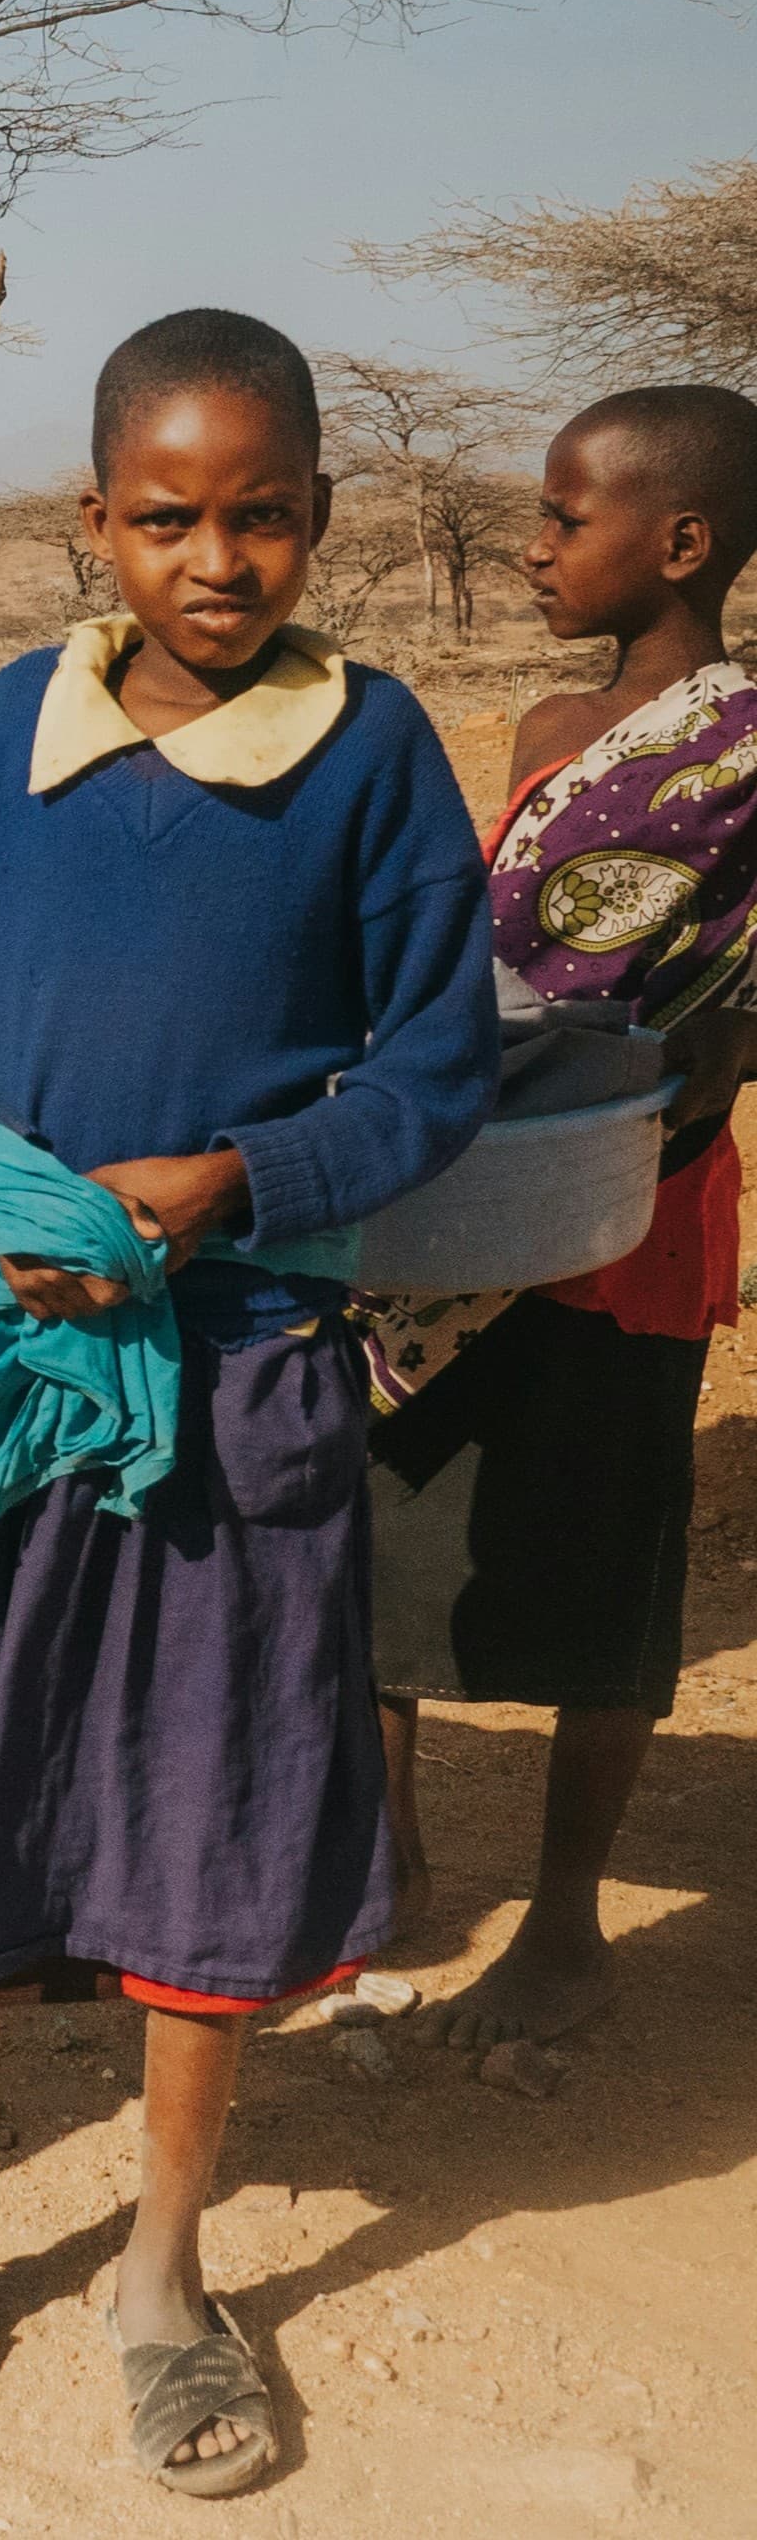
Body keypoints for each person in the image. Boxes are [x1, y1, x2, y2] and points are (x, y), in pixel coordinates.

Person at [0, 312, 495, 2495]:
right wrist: (9, 1201)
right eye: (164, 515)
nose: (214, 555)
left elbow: (429, 1068)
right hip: (10, 1359)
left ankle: (165, 2263)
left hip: (241, 1372)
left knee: (209, 1821)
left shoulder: (364, 755)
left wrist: (218, 1191)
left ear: (315, 521)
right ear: (94, 523)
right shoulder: (6, 740)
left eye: (260, 513)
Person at [369, 385, 757, 2048]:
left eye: (563, 513)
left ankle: (571, 1925)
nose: (531, 543)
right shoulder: (542, 731)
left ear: (680, 541)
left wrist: (686, 1077)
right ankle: (379, 1874)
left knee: (608, 1570)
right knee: (379, 1536)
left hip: (638, 1198)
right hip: (467, 1185)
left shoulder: (747, 756)